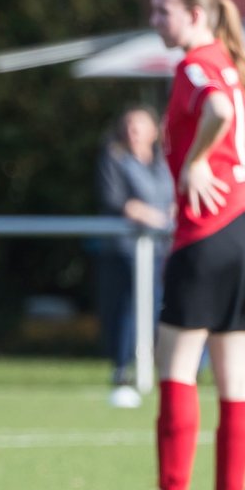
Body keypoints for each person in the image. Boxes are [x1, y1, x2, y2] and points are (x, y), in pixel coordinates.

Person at [100, 0, 245, 490]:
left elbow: (217, 113)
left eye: (162, 10)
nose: (154, 20)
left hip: (210, 230)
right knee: (236, 376)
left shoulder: (198, 64)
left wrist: (195, 162)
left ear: (195, 14)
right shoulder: (238, 66)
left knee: (175, 369)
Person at [94, 105, 175, 409]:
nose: (133, 131)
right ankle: (123, 367)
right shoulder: (114, 158)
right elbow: (116, 201)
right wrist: (154, 218)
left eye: (139, 125)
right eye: (129, 125)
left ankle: (160, 367)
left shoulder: (162, 161)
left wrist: (171, 217)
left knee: (160, 307)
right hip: (126, 250)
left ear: (154, 131)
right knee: (128, 308)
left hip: (161, 249)